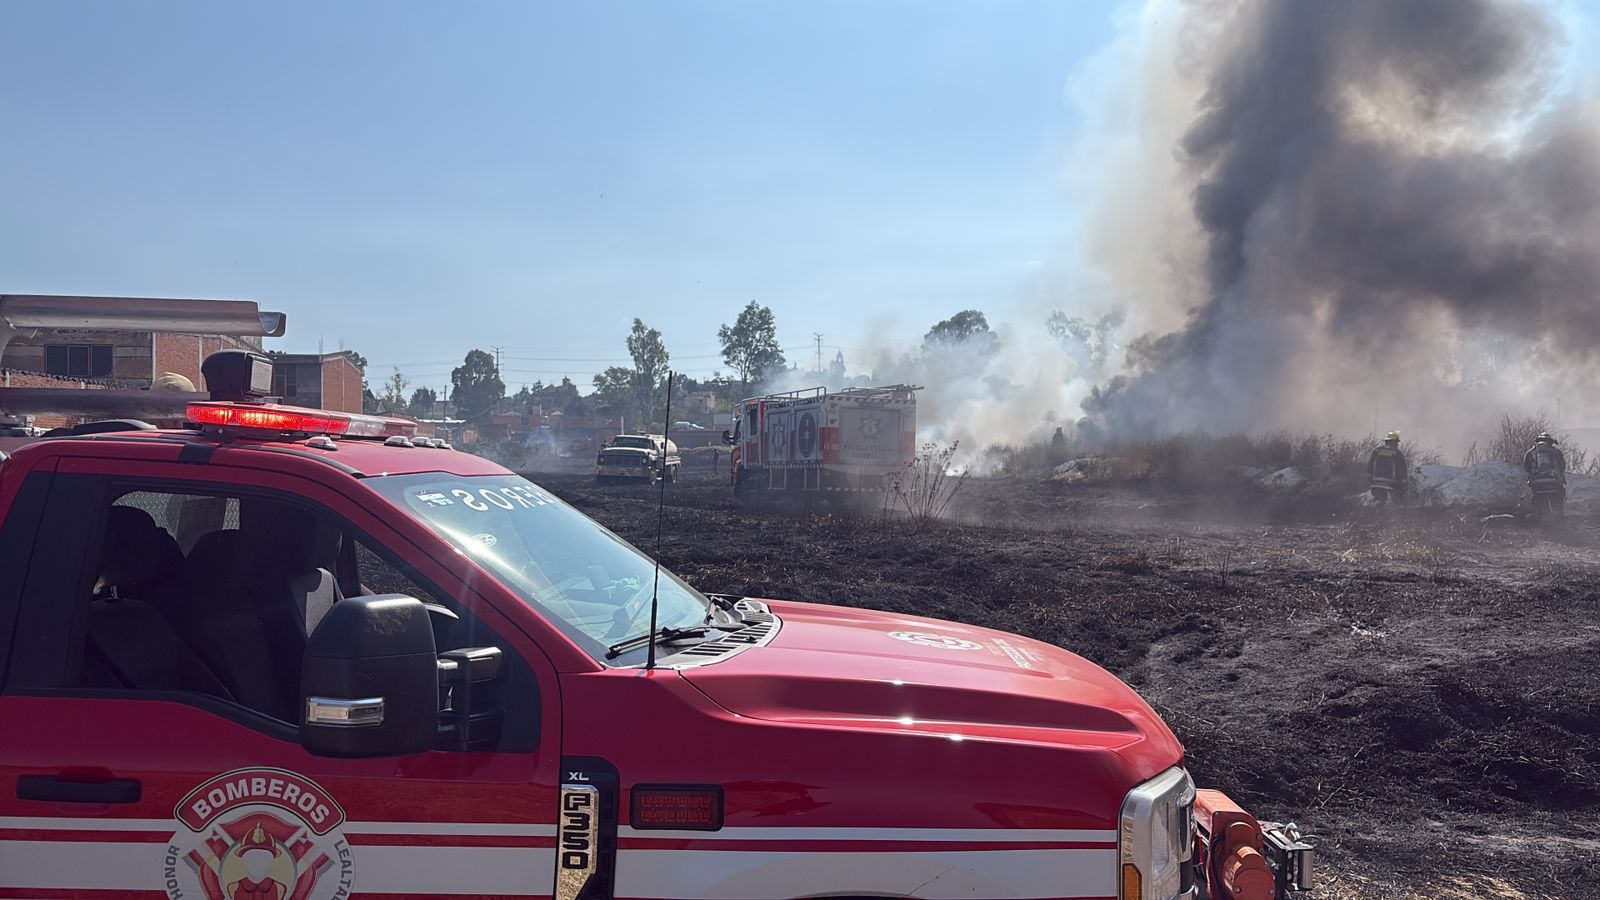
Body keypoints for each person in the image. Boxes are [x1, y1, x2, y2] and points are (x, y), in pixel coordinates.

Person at [1524, 432, 1566, 518]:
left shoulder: (1531, 452)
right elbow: (1562, 467)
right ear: (1550, 442)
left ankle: (1539, 516)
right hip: (1554, 483)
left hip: (1537, 483)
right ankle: (1558, 516)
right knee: (1557, 499)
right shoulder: (1556, 452)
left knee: (1537, 499)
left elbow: (1527, 467)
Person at [1368, 432, 1408, 507]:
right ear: (1392, 442)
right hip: (1392, 482)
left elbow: (1370, 465)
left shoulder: (1377, 450)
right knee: (1398, 501)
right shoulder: (1397, 453)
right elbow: (1401, 468)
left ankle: (1377, 513)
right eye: (1396, 442)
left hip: (1377, 482)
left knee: (1379, 500)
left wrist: (1370, 476)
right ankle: (1397, 514)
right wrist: (1404, 481)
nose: (1397, 444)